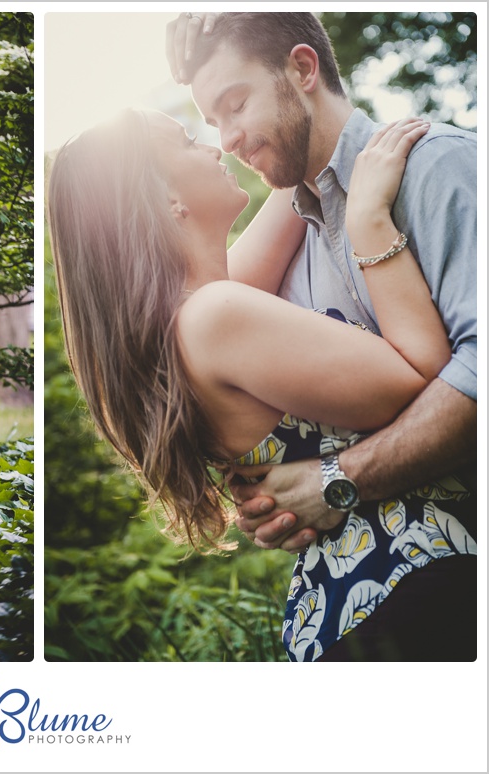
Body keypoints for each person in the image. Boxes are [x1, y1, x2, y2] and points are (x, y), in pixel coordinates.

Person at [47, 109, 476, 661]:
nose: (215, 147)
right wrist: (368, 221)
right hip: (406, 584)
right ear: (162, 201)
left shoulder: (197, 310)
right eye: (186, 142)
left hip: (352, 603)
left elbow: (308, 159)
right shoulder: (214, 317)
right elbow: (423, 375)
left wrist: (279, 100)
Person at [164, 12, 477, 555]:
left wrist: (338, 479)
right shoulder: (283, 256)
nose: (228, 140)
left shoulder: (437, 166)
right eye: (210, 122)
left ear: (303, 68)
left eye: (235, 105)